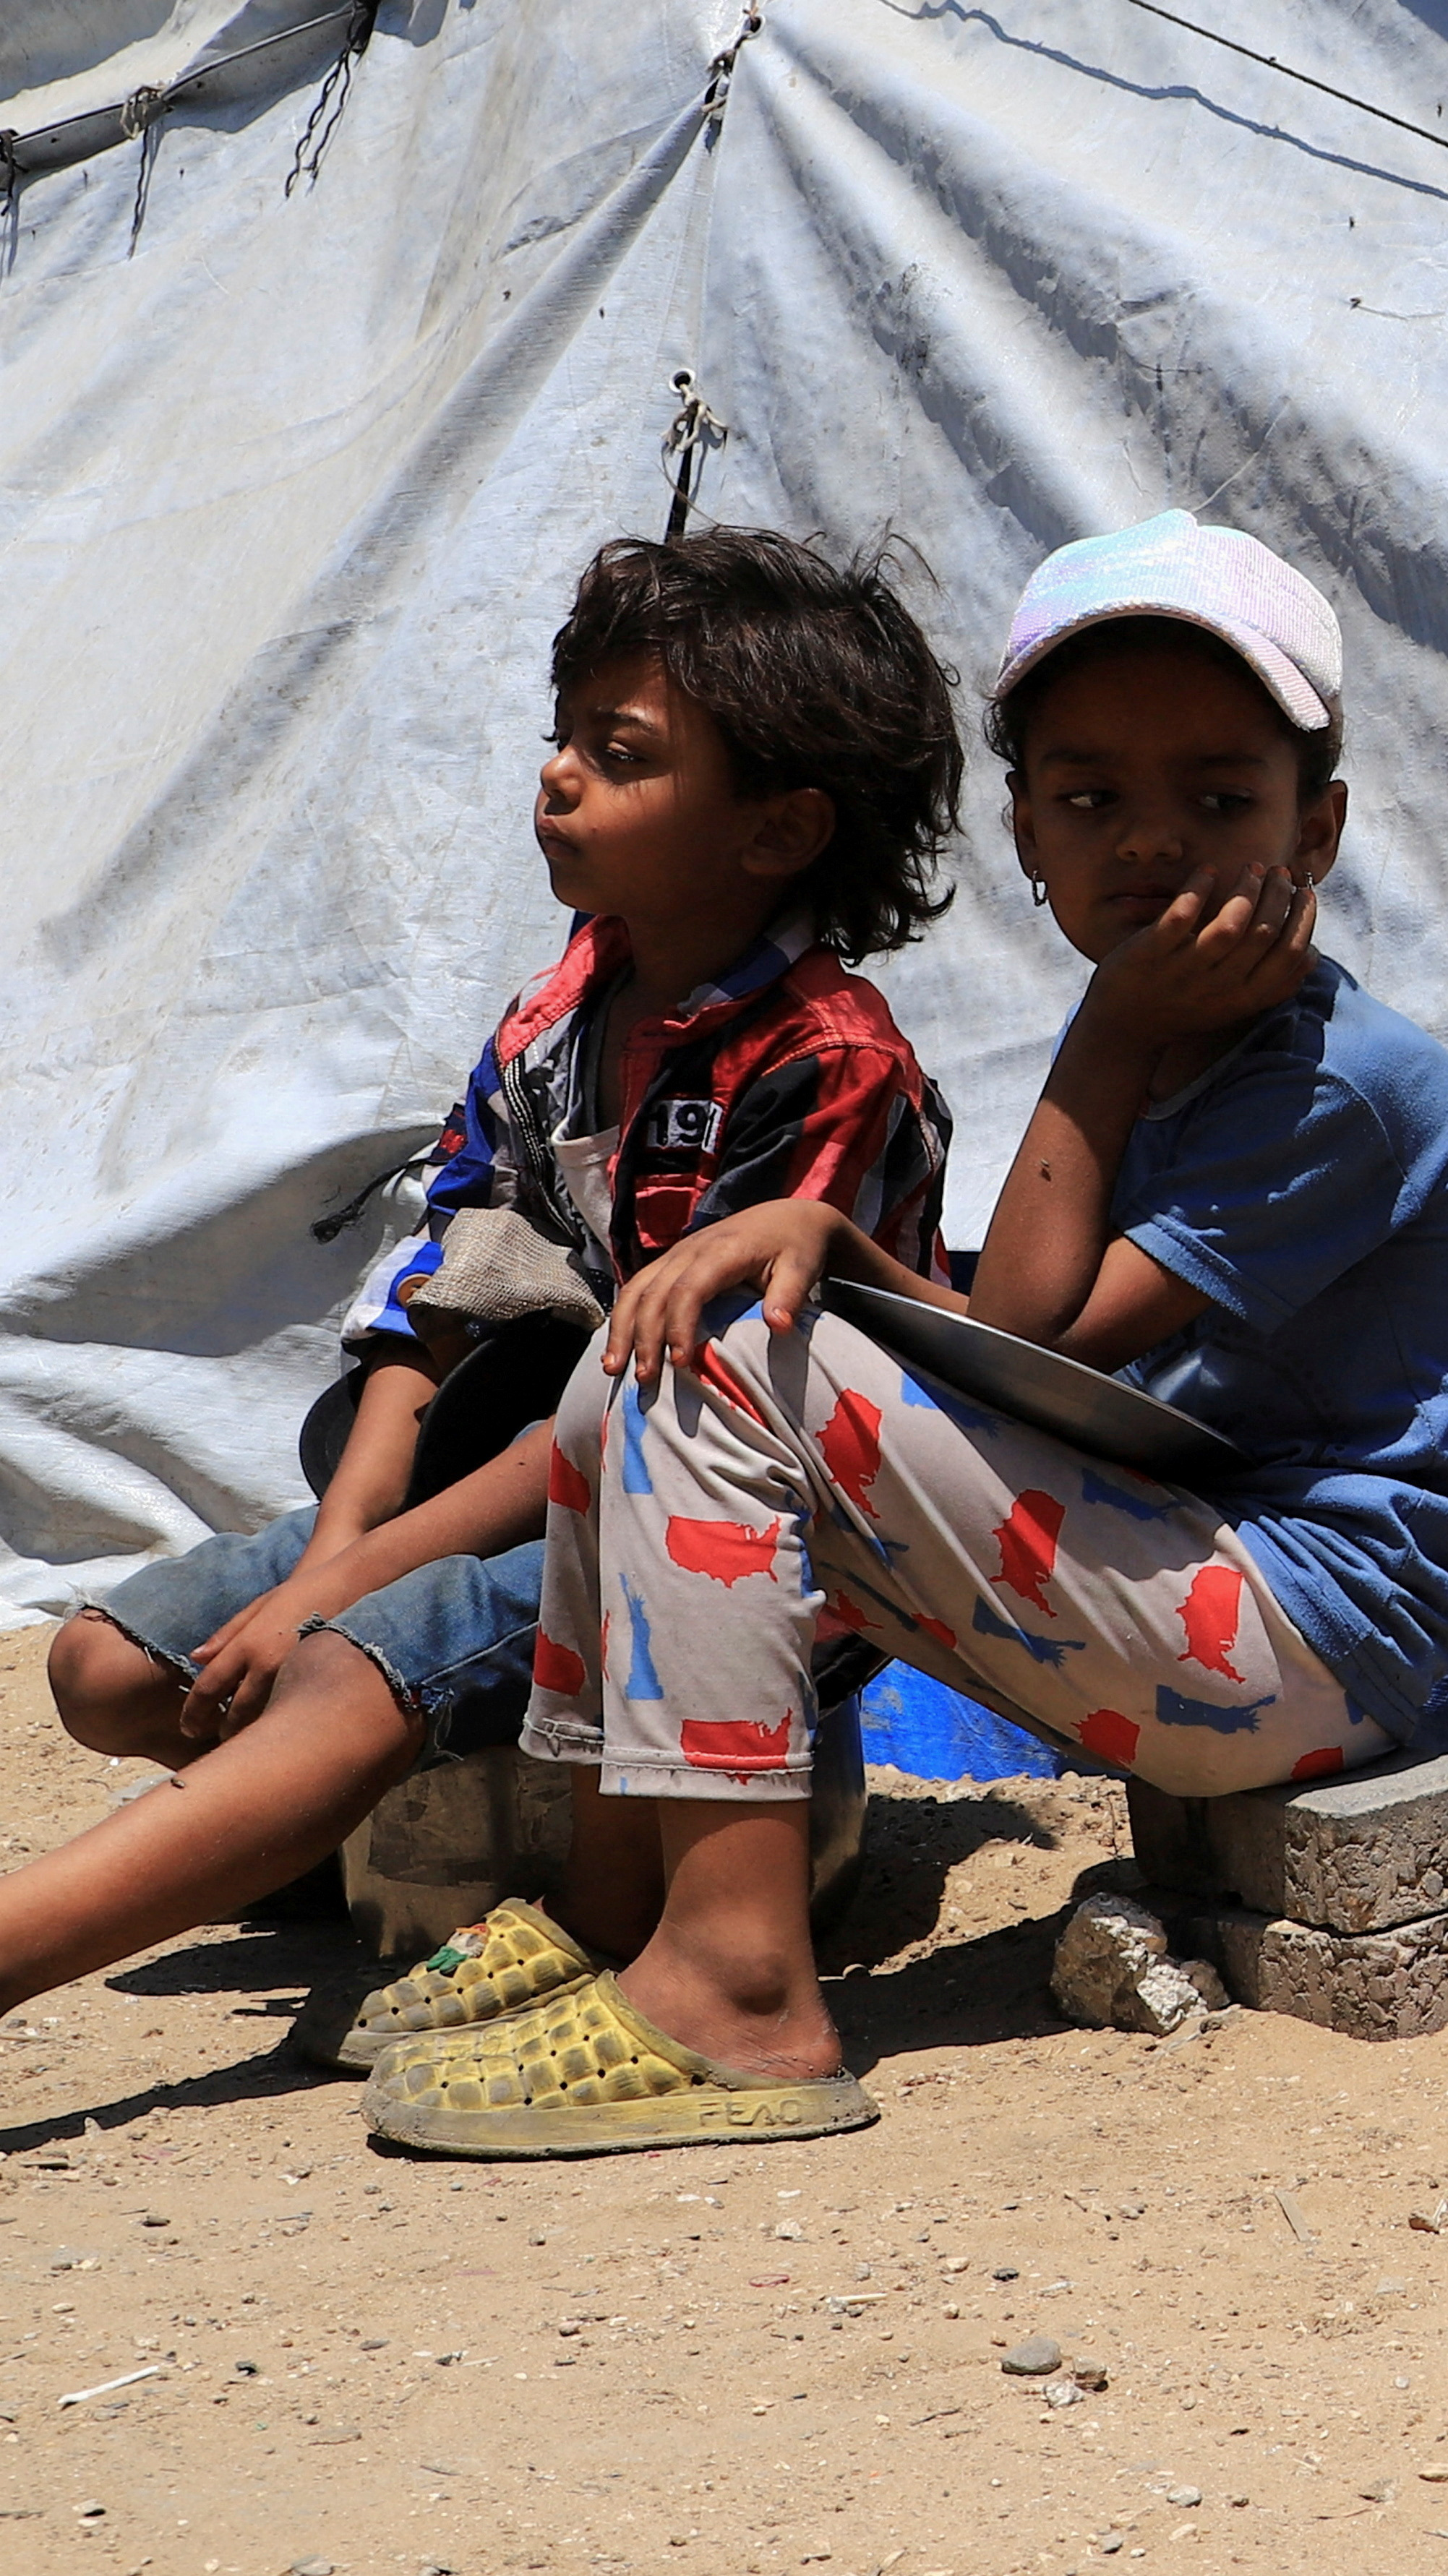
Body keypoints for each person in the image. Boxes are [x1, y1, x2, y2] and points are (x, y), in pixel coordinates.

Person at [354, 508, 1448, 2158]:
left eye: (1220, 797)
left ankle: (739, 1993)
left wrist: (1102, 1038)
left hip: (1310, 1640)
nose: (1152, 844)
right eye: (1091, 798)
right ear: (1028, 836)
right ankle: (612, 1908)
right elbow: (1007, 1360)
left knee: (729, 1354)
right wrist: (836, 1238)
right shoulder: (1163, 1041)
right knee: (634, 1364)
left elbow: (1043, 1332)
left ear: (1314, 832)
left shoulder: (1340, 1081)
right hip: (1170, 1571)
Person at [0, 529, 961, 2038]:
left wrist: (335, 1599)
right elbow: (439, 1285)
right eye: (562, 737)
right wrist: (341, 1537)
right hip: (516, 1488)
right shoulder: (562, 1008)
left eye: (619, 753)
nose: (558, 776)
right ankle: (325, 1804)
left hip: (705, 1564)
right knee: (106, 1669)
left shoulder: (826, 1065)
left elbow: (638, 1412)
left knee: (333, 1674)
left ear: (776, 833)